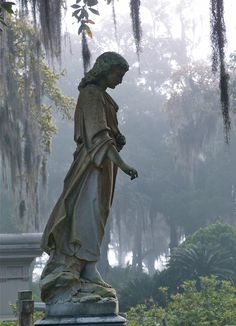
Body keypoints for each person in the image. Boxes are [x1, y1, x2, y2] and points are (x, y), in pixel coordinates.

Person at [40, 52, 138, 296]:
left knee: (99, 213)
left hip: (104, 166)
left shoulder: (103, 97)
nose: (121, 80)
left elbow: (108, 135)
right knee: (88, 213)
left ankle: (88, 267)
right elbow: (98, 137)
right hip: (91, 165)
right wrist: (124, 165)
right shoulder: (91, 94)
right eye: (118, 74)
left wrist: (118, 140)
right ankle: (76, 266)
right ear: (105, 69)